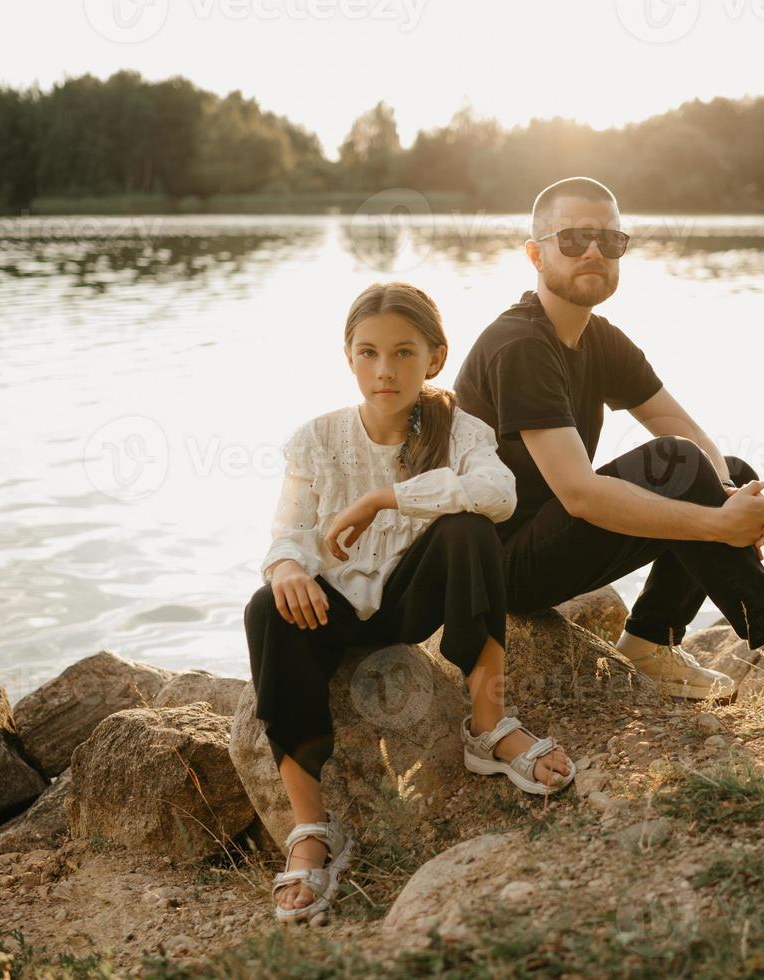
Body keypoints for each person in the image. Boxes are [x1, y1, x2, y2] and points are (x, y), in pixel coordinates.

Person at [453, 176, 764, 719]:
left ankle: (650, 643)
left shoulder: (597, 336)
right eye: (574, 239)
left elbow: (673, 420)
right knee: (678, 465)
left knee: (718, 466)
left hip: (552, 541)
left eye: (610, 241)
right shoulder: (520, 345)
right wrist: (718, 525)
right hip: (501, 566)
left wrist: (725, 493)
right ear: (535, 254)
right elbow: (580, 494)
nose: (593, 252)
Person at [244, 281, 574, 926]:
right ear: (349, 358)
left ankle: (487, 726)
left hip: (412, 601)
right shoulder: (315, 439)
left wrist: (384, 499)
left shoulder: (462, 432)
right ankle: (313, 830)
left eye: (402, 352)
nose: (384, 370)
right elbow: (287, 533)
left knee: (470, 529)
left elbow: (497, 495)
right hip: (334, 606)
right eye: (367, 353)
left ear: (435, 358)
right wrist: (286, 568)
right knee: (264, 607)